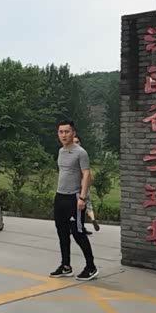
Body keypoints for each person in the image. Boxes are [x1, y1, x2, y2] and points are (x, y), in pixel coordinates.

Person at [49, 119, 99, 281]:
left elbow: (86, 174)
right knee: (62, 232)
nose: (64, 135)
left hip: (74, 197)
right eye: (61, 132)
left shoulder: (80, 152)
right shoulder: (61, 151)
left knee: (78, 233)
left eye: (67, 132)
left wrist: (82, 197)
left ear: (73, 133)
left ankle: (91, 267)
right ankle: (66, 266)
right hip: (60, 196)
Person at [74, 135, 100, 235]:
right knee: (87, 205)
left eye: (77, 142)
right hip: (82, 185)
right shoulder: (83, 154)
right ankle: (91, 219)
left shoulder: (79, 154)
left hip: (79, 185)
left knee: (78, 207)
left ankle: (78, 227)